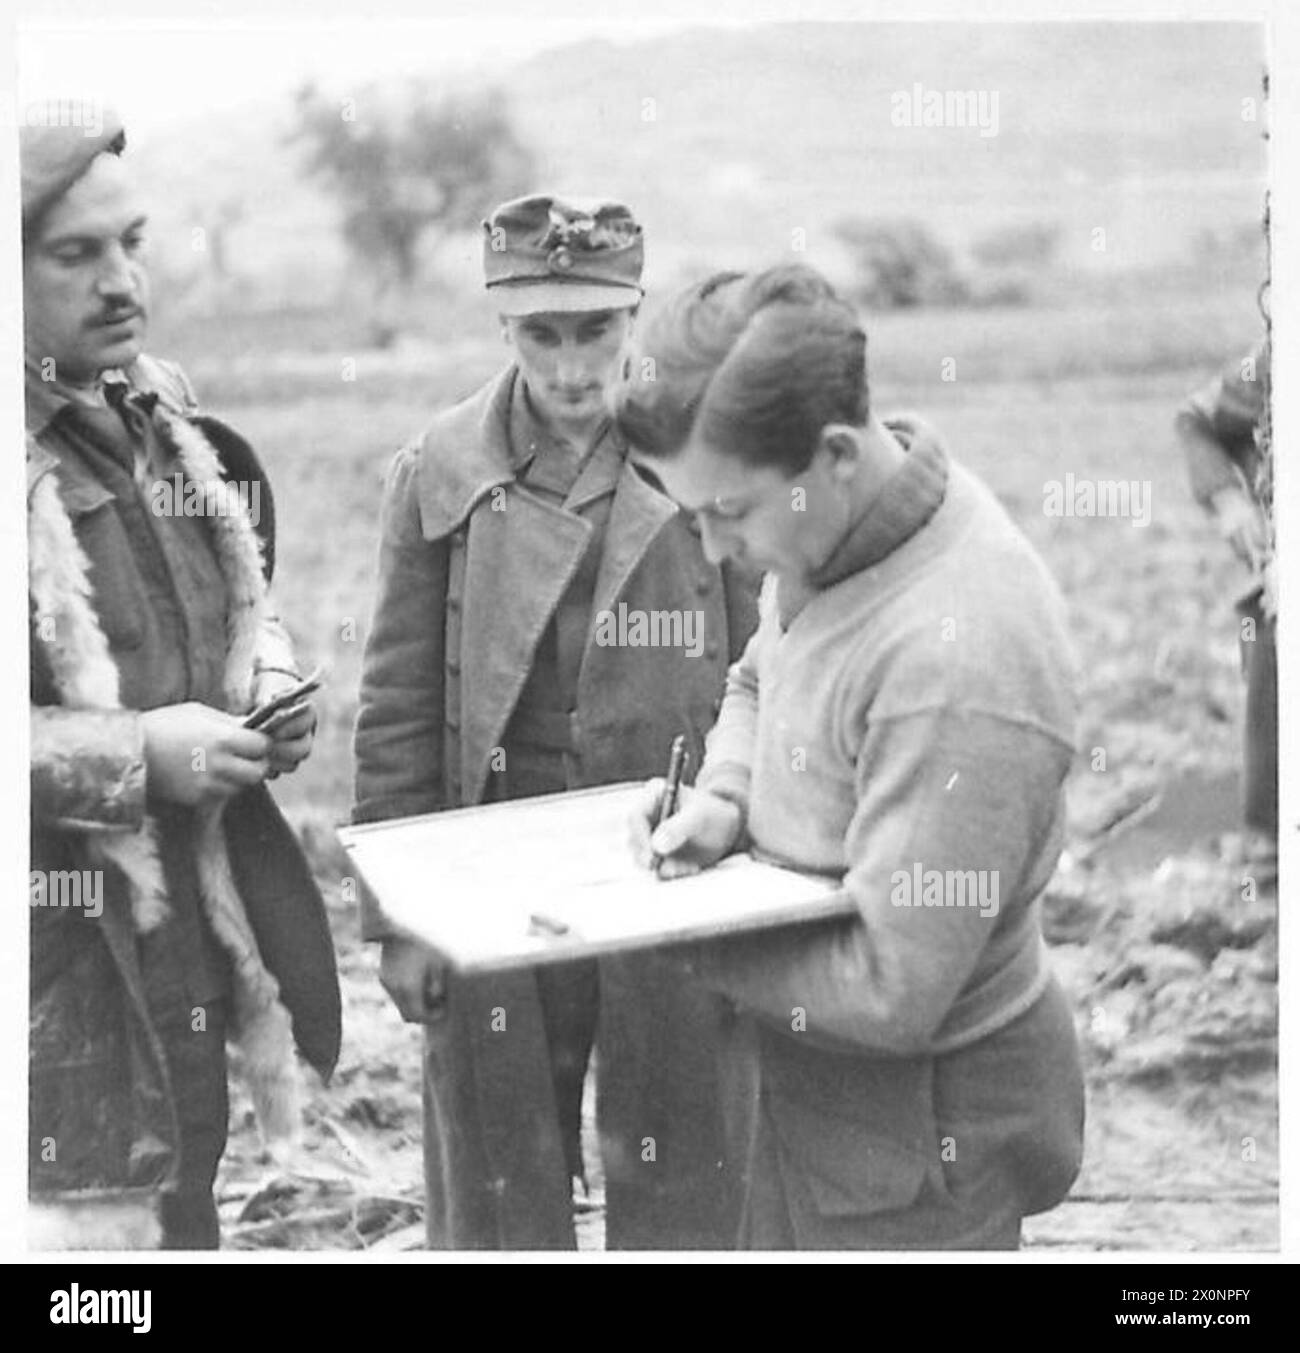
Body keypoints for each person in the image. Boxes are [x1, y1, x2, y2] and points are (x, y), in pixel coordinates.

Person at [619, 264, 1085, 1249]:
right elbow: (760, 674)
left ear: (833, 452)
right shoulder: (841, 533)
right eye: (690, 512)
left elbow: (891, 986)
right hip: (809, 1092)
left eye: (728, 513)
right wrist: (725, 795)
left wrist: (677, 933)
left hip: (912, 1152)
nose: (707, 552)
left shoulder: (957, 659)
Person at [352, 194, 758, 1249]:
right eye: (543, 333)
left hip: (667, 857)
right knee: (496, 1166)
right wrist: (399, 921)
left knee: (684, 1153)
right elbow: (399, 707)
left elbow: (769, 673)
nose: (573, 367)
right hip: (492, 862)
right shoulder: (439, 472)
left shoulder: (706, 458)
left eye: (596, 331)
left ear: (634, 321)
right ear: (503, 326)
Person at [25, 112, 341, 1249]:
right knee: (82, 1243)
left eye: (131, 243)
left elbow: (234, 596)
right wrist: (136, 758)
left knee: (179, 1196)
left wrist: (264, 673)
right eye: (73, 256)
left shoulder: (155, 409)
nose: (121, 283)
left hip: (184, 934)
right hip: (53, 960)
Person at [1174, 338, 1276, 875]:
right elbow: (1196, 419)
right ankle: (1271, 845)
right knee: (1270, 625)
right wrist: (1230, 501)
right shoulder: (1278, 359)